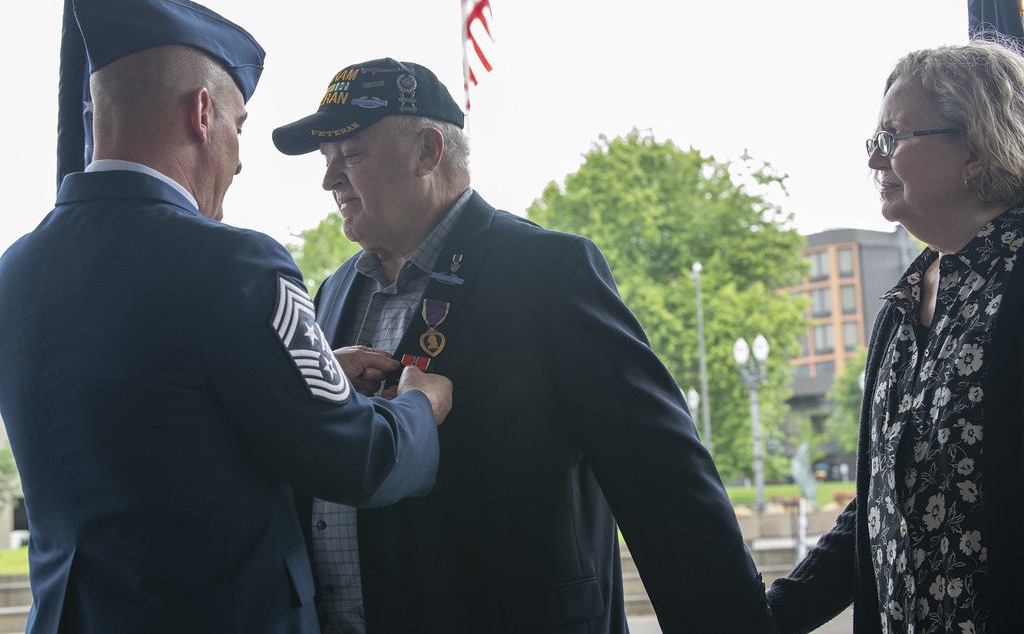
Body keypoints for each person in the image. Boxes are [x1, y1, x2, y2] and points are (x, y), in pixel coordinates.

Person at [0, 0, 452, 634]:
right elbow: (356, 458)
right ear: (202, 112)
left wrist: (312, 368)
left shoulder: (15, 270)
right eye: (239, 128)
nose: (239, 160)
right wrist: (419, 406)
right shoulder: (236, 266)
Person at [272, 57, 778, 633]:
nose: (329, 179)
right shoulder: (332, 292)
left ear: (427, 152)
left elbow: (666, 482)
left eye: (351, 154)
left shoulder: (549, 272)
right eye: (326, 160)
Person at [766, 39, 1024, 633]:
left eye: (896, 139)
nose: (875, 162)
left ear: (976, 149)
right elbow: (881, 502)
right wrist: (769, 619)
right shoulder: (900, 308)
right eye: (873, 143)